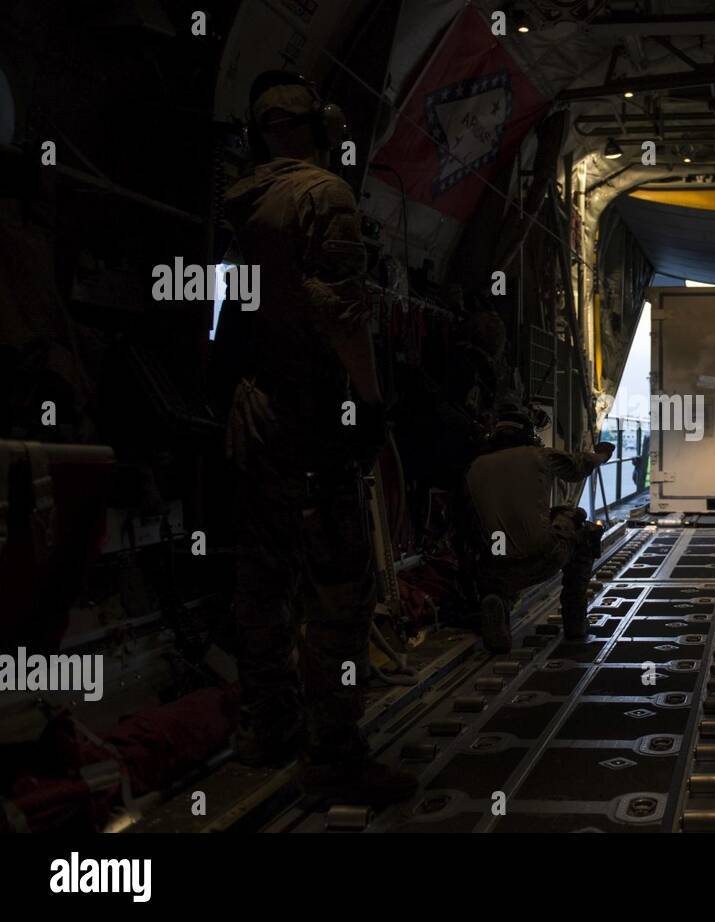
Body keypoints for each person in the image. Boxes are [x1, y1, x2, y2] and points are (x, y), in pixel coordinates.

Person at [217, 71, 415, 805]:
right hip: (313, 420)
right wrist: (369, 402)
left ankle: (266, 729)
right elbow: (342, 309)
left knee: (262, 585)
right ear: (322, 132)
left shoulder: (240, 201)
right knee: (339, 597)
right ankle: (333, 755)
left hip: (254, 417)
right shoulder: (323, 195)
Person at [464, 413, 613, 652]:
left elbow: (470, 524)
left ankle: (499, 601)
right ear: (528, 434)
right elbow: (579, 466)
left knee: (499, 540)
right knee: (580, 525)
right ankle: (575, 622)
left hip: (497, 559)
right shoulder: (538, 456)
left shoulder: (474, 468)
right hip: (542, 552)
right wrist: (603, 454)